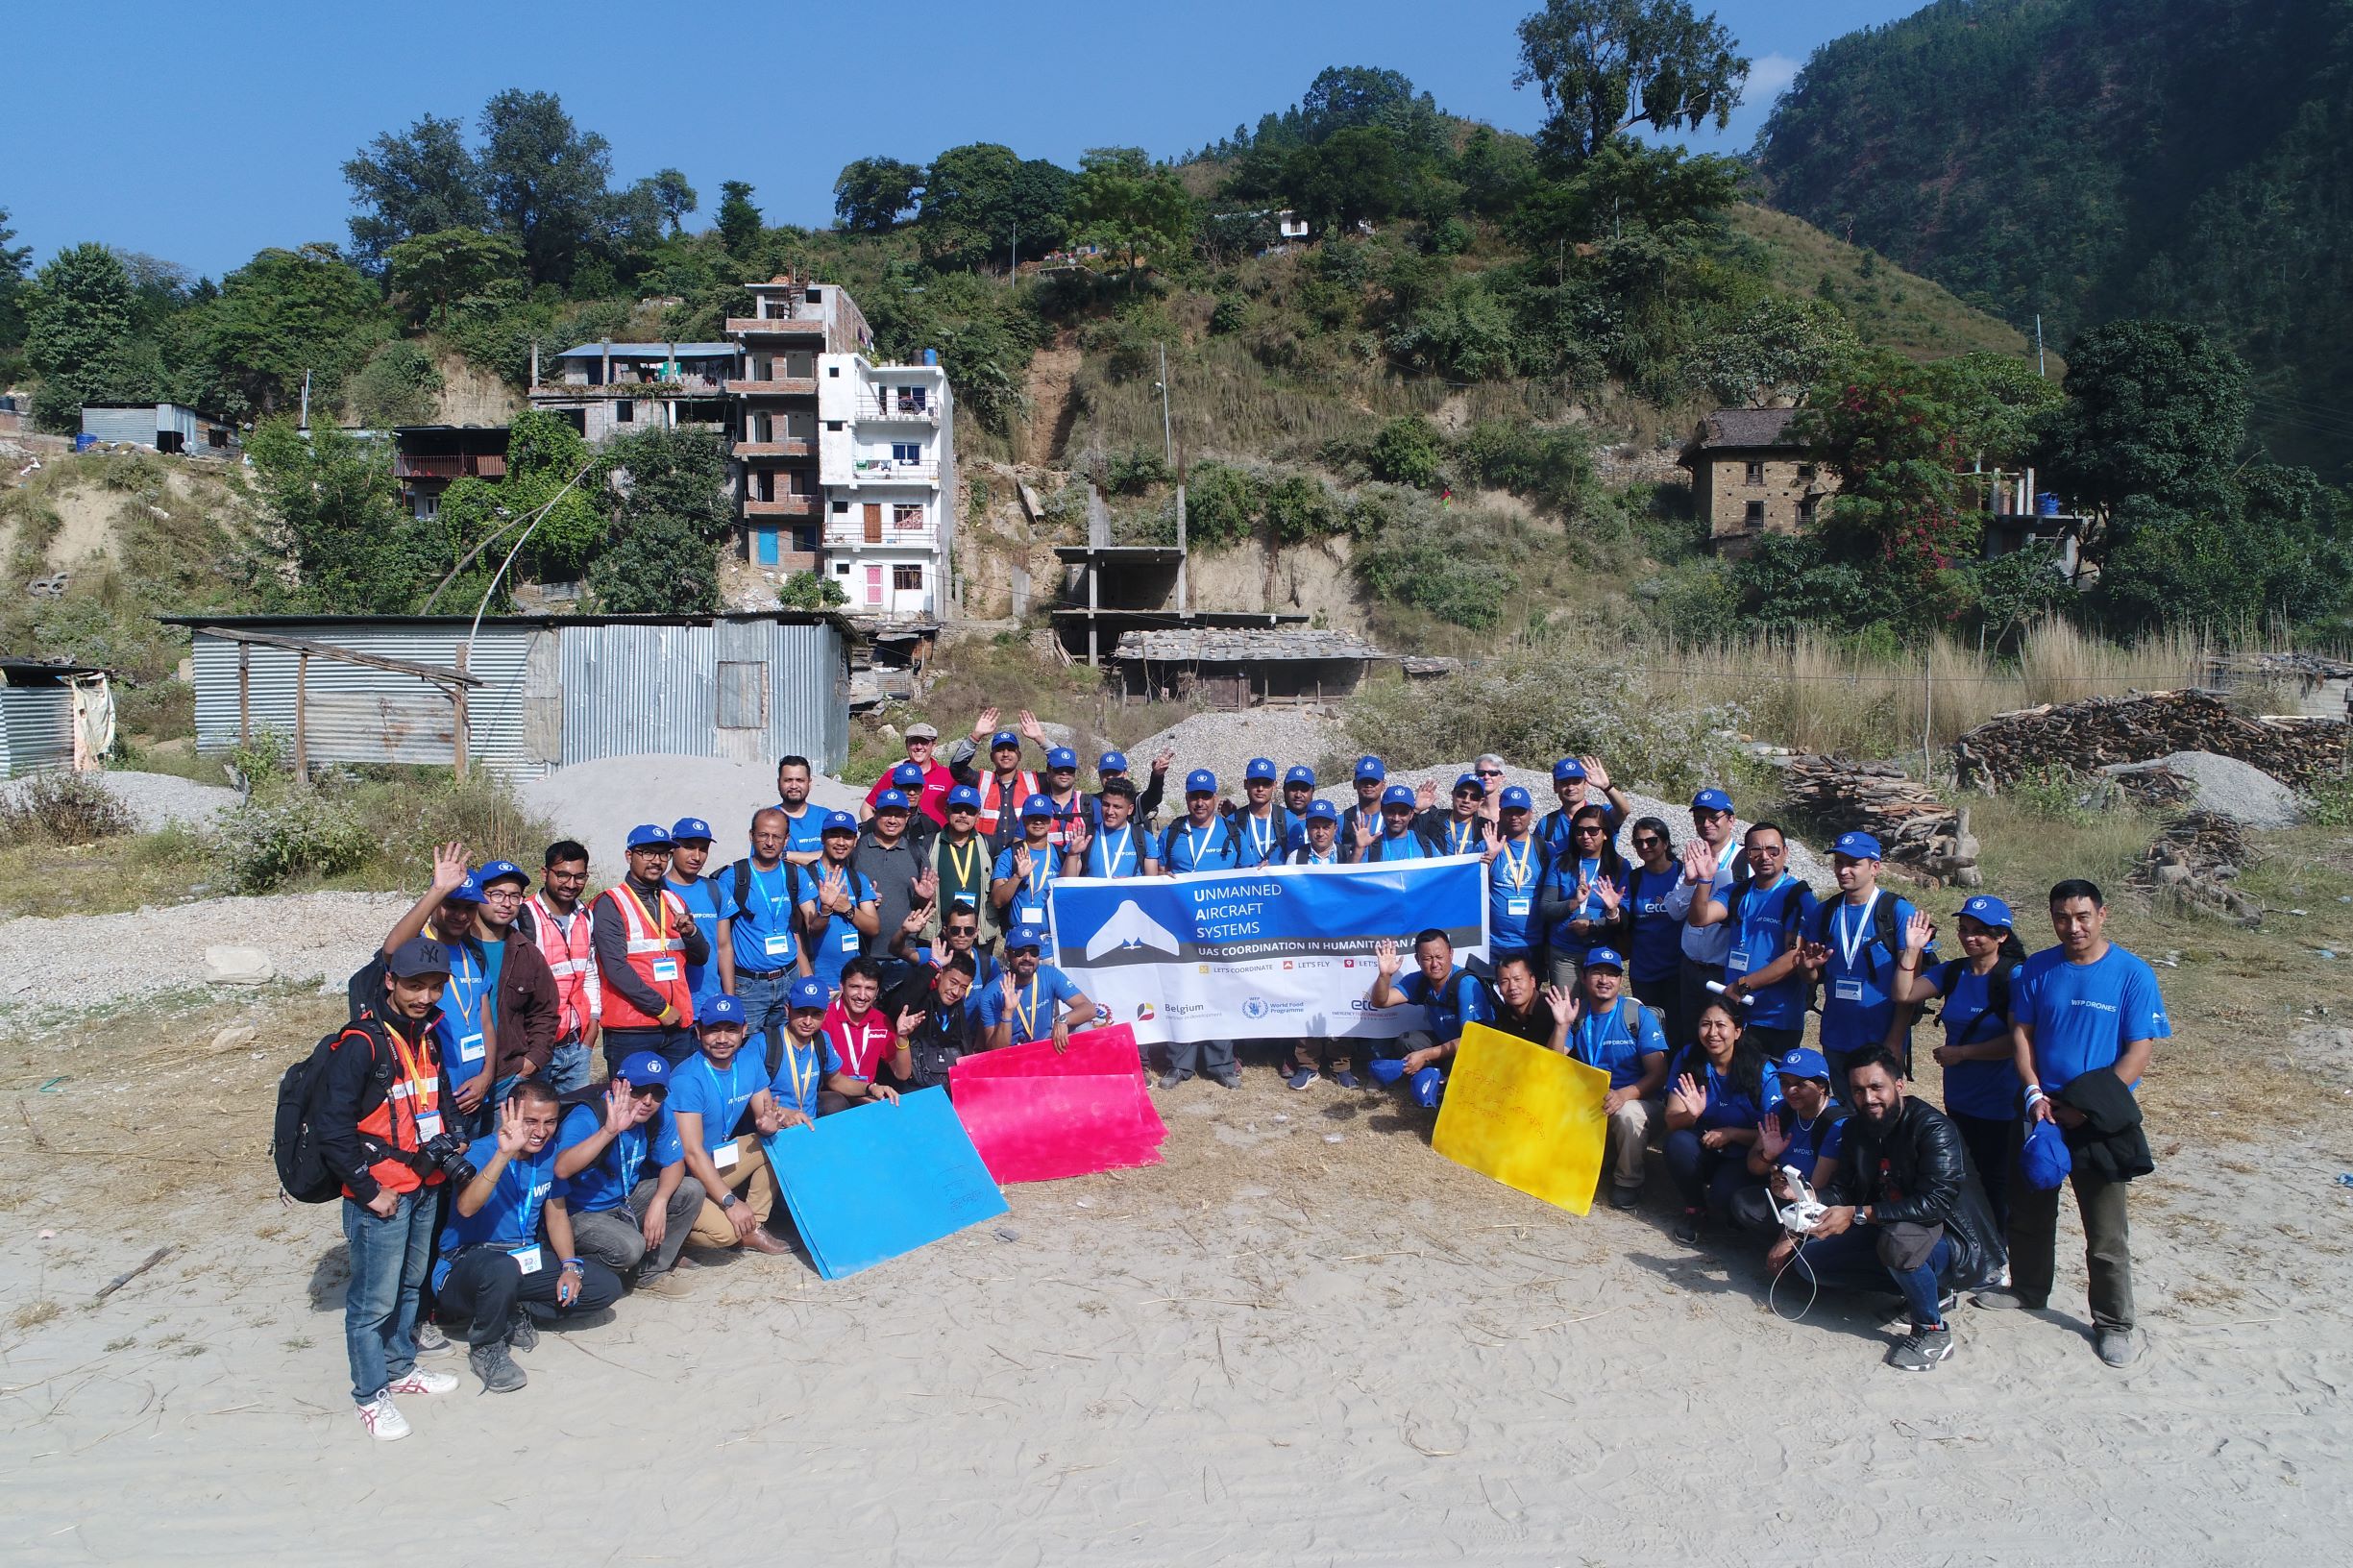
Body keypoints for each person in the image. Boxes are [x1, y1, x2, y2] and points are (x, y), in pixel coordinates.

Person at [1977, 879, 2169, 1367]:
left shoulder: (2132, 974)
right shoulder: (2038, 969)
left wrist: (2089, 1107)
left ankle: (2113, 1323)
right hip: (2042, 1110)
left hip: (2100, 1118)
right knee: (2030, 1209)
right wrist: (2034, 1092)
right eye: (2062, 917)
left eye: (2082, 916)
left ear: (2102, 914)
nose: (2073, 926)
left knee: (2105, 1231)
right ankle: (2028, 1288)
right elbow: (2022, 1032)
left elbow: (2138, 1051)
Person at [1772, 1050, 2006, 1373]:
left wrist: (1857, 1214)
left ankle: (1932, 1331)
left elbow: (1935, 1203)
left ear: (1899, 1084)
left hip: (1950, 1236)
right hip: (1888, 1224)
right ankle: (1930, 1291)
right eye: (1857, 1090)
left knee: (1899, 1243)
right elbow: (1845, 1187)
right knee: (1812, 1263)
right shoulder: (1856, 1130)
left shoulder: (1934, 1129)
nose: (1867, 1098)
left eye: (1876, 1087)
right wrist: (1808, 1198)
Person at [321, 937, 460, 1441]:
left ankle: (401, 1368)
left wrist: (454, 1140)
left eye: (434, 986)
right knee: (372, 1302)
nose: (425, 996)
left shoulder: (428, 1034)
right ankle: (370, 1394)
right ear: (390, 982)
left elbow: (438, 1098)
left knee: (409, 1286)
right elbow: (332, 1127)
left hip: (423, 1181)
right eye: (414, 986)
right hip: (381, 1193)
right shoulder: (362, 1043)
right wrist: (366, 1189)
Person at [433, 1083, 625, 1394]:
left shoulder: (548, 1154)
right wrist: (503, 1154)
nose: (541, 1131)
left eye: (550, 1121)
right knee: (502, 1269)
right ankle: (486, 1347)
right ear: (508, 1114)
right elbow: (467, 1208)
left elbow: (557, 1213)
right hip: (468, 1264)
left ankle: (513, 1311)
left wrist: (569, 1266)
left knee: (604, 1289)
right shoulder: (483, 1150)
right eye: (531, 1121)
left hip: (522, 1259)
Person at [1886, 894, 2027, 1236]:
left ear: (2002, 936)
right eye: (1964, 929)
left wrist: (1963, 1054)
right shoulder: (1953, 972)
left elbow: (2017, 1041)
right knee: (1965, 1171)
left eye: (1980, 931)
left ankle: (1999, 1247)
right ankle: (1972, 1238)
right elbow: (1903, 995)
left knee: (1995, 1176)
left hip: (2001, 1099)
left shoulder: (2014, 977)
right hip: (1961, 1096)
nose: (1969, 937)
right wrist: (1912, 950)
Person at [551, 1052, 703, 1291]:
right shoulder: (588, 1116)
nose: (648, 1100)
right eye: (639, 1090)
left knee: (690, 1189)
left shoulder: (658, 1112)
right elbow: (561, 1168)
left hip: (625, 1200)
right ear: (617, 1086)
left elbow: (675, 1163)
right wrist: (609, 1132)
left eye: (658, 1093)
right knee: (630, 1247)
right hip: (581, 1211)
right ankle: (566, 1271)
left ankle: (648, 1273)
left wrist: (659, 1202)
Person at [377, 844, 497, 1129]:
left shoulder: (473, 955)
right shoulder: (418, 948)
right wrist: (437, 891)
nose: (460, 915)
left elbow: (486, 1023)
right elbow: (392, 949)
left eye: (469, 908)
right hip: (434, 1095)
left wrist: (487, 1076)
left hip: (477, 1091)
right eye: (451, 905)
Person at [1793, 831, 1925, 1084]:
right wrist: (1808, 969)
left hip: (1881, 1038)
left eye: (1853, 864)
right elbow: (1812, 975)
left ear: (1874, 868)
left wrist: (1896, 1040)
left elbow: (1911, 987)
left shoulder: (1896, 911)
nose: (1843, 871)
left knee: (1877, 1112)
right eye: (1839, 863)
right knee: (1844, 1111)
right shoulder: (1826, 911)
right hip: (1836, 1036)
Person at [671, 994, 798, 1257]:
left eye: (730, 1029)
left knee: (779, 1142)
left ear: (743, 1031)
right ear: (698, 1032)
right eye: (713, 1030)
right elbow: (692, 1153)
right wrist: (730, 1201)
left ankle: (753, 1227)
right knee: (726, 1234)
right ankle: (673, 1235)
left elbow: (766, 1111)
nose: (722, 1038)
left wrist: (776, 1121)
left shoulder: (748, 1060)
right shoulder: (688, 1078)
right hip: (684, 1179)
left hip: (718, 1159)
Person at [1683, 821, 1817, 1057]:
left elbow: (1794, 956)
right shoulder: (1737, 891)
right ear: (1747, 854)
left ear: (1785, 852)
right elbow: (1699, 918)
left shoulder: (1797, 896)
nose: (1764, 856)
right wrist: (1704, 881)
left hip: (1775, 1018)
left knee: (1769, 1087)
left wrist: (1744, 984)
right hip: (1736, 1013)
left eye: (1772, 850)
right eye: (1756, 850)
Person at [1662, 996, 1783, 1242]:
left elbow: (1774, 1134)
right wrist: (1690, 1115)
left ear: (1738, 1031)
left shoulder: (1762, 1070)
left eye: (1721, 1025)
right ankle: (1695, 1209)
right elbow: (1672, 1122)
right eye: (1706, 1024)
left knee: (1724, 1196)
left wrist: (1732, 1133)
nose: (1712, 1033)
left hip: (1745, 1154)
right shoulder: (1688, 1058)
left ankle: (1732, 1209)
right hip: (1705, 1145)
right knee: (1677, 1143)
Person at [592, 824, 707, 1072]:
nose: (657, 861)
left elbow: (701, 957)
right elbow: (615, 968)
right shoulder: (610, 903)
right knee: (631, 1106)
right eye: (648, 853)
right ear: (629, 856)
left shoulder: (674, 901)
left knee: (677, 1103)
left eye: (663, 854)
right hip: (632, 1030)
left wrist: (692, 934)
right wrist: (661, 1009)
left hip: (677, 1027)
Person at [1561, 947, 1670, 1210]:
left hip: (1638, 1103)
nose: (1604, 979)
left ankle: (1628, 1182)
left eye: (1612, 974)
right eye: (1597, 972)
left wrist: (1624, 1095)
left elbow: (1659, 1074)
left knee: (1627, 1114)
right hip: (1594, 1105)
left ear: (1621, 981)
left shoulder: (1636, 1015)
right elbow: (1553, 1063)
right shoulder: (1577, 1015)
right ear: (1584, 977)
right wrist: (1561, 1025)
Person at [469, 859, 562, 1112]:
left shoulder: (527, 953)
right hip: (460, 1079)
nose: (506, 903)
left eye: (515, 896)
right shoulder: (456, 946)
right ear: (478, 895)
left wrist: (533, 1059)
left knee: (506, 1150)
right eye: (496, 894)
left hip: (507, 1079)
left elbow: (546, 1010)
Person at [1731, 1046, 1849, 1237]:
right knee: (1741, 1201)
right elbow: (1754, 1167)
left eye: (1800, 1084)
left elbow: (1818, 1192)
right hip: (1786, 1194)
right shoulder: (1782, 1110)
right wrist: (1767, 1156)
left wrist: (1794, 1194)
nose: (1790, 1091)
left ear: (1822, 1087)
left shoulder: (1835, 1124)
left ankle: (1795, 1241)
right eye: (1784, 1083)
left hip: (1817, 1204)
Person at [715, 808, 809, 1037]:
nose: (769, 842)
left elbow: (804, 927)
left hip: (789, 978)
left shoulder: (796, 875)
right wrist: (730, 996)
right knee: (742, 1047)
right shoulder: (732, 877)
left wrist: (825, 908)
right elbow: (723, 943)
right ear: (751, 836)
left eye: (777, 836)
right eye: (763, 835)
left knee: (787, 1047)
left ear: (786, 839)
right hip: (748, 986)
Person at [1370, 930, 1494, 1103]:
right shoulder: (1420, 981)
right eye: (1427, 958)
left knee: (1460, 1068)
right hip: (1444, 1043)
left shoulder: (1466, 984)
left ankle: (1439, 1081)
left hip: (1473, 1051)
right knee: (1407, 1041)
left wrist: (1426, 1055)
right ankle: (1434, 1076)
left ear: (1451, 953)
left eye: (1439, 956)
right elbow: (1380, 1002)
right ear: (1417, 960)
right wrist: (1385, 975)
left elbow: (1472, 1041)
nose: (1434, 964)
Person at [1664, 788, 1744, 1049]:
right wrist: (1689, 880)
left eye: (1713, 817)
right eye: (1700, 819)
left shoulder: (1744, 861)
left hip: (1722, 969)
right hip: (1690, 967)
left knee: (1721, 1038)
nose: (1706, 824)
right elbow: (1675, 911)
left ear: (1730, 820)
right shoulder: (1695, 855)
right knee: (1692, 1035)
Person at [519, 840, 601, 1092]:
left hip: (577, 1046)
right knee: (535, 1126)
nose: (571, 884)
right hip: (536, 1048)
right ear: (545, 873)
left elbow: (589, 972)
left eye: (579, 877)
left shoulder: (585, 915)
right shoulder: (523, 917)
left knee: (574, 1123)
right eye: (562, 875)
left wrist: (593, 1027)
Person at [1537, 803, 1628, 990]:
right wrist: (1574, 902)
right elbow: (1546, 907)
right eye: (1579, 831)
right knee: (1566, 1013)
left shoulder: (1619, 866)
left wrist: (1600, 920)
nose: (1585, 836)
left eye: (1593, 830)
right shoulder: (1560, 861)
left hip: (1601, 952)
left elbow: (1624, 918)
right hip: (1564, 953)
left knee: (1597, 1010)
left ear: (1606, 833)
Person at [665, 819, 739, 1022]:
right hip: (670, 1004)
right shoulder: (658, 890)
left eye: (703, 849)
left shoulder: (716, 889)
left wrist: (729, 997)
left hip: (710, 1002)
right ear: (673, 849)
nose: (696, 856)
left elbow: (724, 947)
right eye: (688, 847)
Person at [978, 925, 1097, 1050]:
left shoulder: (1050, 974)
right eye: (1020, 952)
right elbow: (995, 1049)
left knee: (1084, 1028)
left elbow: (1089, 1009)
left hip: (1045, 1045)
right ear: (1007, 954)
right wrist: (1007, 1013)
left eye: (1033, 952)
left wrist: (1063, 1020)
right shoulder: (990, 993)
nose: (1027, 958)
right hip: (1013, 1054)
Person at [798, 811, 879, 993]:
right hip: (818, 981)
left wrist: (847, 908)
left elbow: (873, 927)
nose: (841, 842)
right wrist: (826, 910)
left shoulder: (858, 879)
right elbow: (811, 930)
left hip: (853, 982)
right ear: (822, 838)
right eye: (834, 835)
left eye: (847, 837)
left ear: (855, 841)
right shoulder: (805, 877)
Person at [820, 958, 912, 1112]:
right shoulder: (824, 1018)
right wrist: (869, 1096)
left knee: (907, 1098)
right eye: (855, 987)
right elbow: (830, 1081)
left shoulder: (881, 1020)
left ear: (877, 992)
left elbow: (902, 1074)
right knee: (835, 1104)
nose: (862, 996)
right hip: (835, 1094)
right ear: (841, 986)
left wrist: (902, 1037)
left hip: (869, 1093)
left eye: (869, 988)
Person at [945, 707, 1044, 849]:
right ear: (992, 757)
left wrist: (1040, 739)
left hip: (1024, 856)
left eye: (1010, 749)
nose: (1005, 754)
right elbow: (956, 768)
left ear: (1019, 756)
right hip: (985, 854)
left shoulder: (1034, 780)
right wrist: (975, 736)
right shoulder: (980, 779)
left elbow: (1063, 768)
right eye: (1000, 750)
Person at [853, 787, 934, 954]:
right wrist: (863, 901)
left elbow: (923, 907)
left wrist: (925, 898)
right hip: (862, 952)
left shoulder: (917, 853)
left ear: (907, 817)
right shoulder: (856, 850)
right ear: (875, 814)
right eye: (886, 813)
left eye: (898, 815)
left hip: (904, 953)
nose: (892, 820)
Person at [1618, 818, 1683, 1017]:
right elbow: (1623, 919)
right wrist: (1613, 910)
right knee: (1649, 1028)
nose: (1645, 846)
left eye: (1651, 841)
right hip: (1644, 970)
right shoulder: (1633, 879)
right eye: (1639, 842)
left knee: (1677, 1030)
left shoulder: (1683, 874)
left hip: (1679, 971)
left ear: (1665, 843)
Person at [896, 953, 981, 1090]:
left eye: (963, 987)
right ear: (939, 974)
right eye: (953, 982)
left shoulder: (957, 1005)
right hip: (913, 1084)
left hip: (943, 1082)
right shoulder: (921, 1000)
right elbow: (902, 1002)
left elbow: (964, 1044)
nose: (956, 992)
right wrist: (932, 966)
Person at [1483, 786, 1546, 964]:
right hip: (1494, 943)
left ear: (1531, 813)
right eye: (1509, 812)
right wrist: (1490, 859)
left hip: (1532, 943)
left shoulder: (1545, 849)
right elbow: (1469, 888)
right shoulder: (1487, 845)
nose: (1514, 817)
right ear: (1501, 813)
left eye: (1520, 812)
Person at [758, 977, 833, 1123]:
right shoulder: (763, 1043)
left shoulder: (822, 1039)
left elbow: (836, 1080)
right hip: (774, 1126)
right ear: (787, 1009)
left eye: (816, 1014)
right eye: (801, 1012)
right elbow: (748, 1094)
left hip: (809, 1126)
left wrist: (871, 1087)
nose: (808, 1021)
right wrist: (782, 1113)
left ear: (825, 1014)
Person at [992, 795, 1064, 932]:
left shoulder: (1061, 855)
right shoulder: (1009, 854)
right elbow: (997, 901)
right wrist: (1017, 877)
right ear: (1024, 819)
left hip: (1051, 940)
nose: (1038, 822)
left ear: (1051, 820)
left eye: (1043, 817)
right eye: (1033, 817)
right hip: (1018, 943)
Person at [1535, 756, 1631, 858]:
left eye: (1576, 782)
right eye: (1564, 783)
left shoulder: (1601, 815)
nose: (1571, 788)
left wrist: (1606, 786)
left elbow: (1624, 811)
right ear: (1555, 787)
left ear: (1586, 784)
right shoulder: (1547, 824)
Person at [863, 720, 952, 826]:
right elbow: (867, 807)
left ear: (933, 745)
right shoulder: (893, 775)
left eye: (924, 742)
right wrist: (875, 833)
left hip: (936, 840)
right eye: (914, 742)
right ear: (907, 745)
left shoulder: (949, 776)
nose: (919, 747)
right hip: (900, 841)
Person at [1065, 776, 1153, 879]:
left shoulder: (1145, 839)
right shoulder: (1084, 836)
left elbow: (1152, 887)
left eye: (1117, 807)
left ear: (1130, 809)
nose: (1109, 812)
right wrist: (1072, 855)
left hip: (1129, 895)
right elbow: (1067, 885)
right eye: (1106, 804)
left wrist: (1130, 884)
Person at [1483, 951, 1572, 1049]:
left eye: (1518, 979)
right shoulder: (1504, 1015)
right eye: (1504, 982)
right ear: (1499, 988)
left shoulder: (1554, 1009)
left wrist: (1561, 1026)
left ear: (1533, 981)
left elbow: (1559, 1059)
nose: (1512, 987)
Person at [1161, 771, 1242, 873]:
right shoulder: (1170, 833)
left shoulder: (1234, 833)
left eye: (1206, 796)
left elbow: (1249, 873)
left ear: (1215, 798)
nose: (1200, 803)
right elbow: (1160, 871)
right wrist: (1165, 879)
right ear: (1186, 798)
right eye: (1194, 796)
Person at [1232, 757, 1295, 868]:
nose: (1260, 789)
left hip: (1279, 884)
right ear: (1246, 784)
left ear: (1274, 785)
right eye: (1255, 783)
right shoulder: (1231, 821)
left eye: (1266, 784)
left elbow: (1296, 865)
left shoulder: (1289, 819)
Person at [1353, 783, 1436, 863]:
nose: (1396, 818)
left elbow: (1444, 871)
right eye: (1391, 812)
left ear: (1411, 815)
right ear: (1382, 812)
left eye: (1403, 813)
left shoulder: (1424, 843)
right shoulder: (1372, 845)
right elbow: (1348, 874)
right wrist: (1359, 849)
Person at [1094, 748, 1170, 833]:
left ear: (1125, 774)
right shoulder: (1089, 802)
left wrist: (1157, 775)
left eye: (1115, 773)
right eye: (1106, 773)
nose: (1110, 777)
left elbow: (1153, 797)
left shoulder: (1133, 801)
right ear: (1099, 775)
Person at [773, 755, 830, 866]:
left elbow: (834, 856)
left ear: (809, 783)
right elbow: (764, 862)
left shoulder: (825, 816)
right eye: (788, 780)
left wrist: (786, 855)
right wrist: (815, 857)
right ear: (778, 783)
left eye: (800, 780)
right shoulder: (768, 819)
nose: (794, 786)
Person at [1035, 747, 1089, 850]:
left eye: (1069, 769)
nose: (1064, 773)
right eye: (1059, 769)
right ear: (1048, 771)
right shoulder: (1036, 805)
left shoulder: (1090, 804)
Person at [1433, 772, 1495, 858]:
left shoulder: (1488, 828)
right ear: (1453, 794)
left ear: (1481, 802)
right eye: (1462, 794)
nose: (1466, 800)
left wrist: (1493, 857)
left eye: (1474, 797)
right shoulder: (1433, 819)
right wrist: (1417, 809)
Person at [1336, 756, 1388, 856]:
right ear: (1355, 784)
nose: (1369, 785)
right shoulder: (1343, 820)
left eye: (1374, 782)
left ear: (1384, 785)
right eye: (1364, 781)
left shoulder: (1393, 817)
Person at [1280, 766, 1317, 852]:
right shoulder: (1273, 822)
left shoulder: (1324, 822)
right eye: (1293, 788)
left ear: (1313, 791)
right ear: (1284, 789)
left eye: (1304, 789)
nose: (1298, 795)